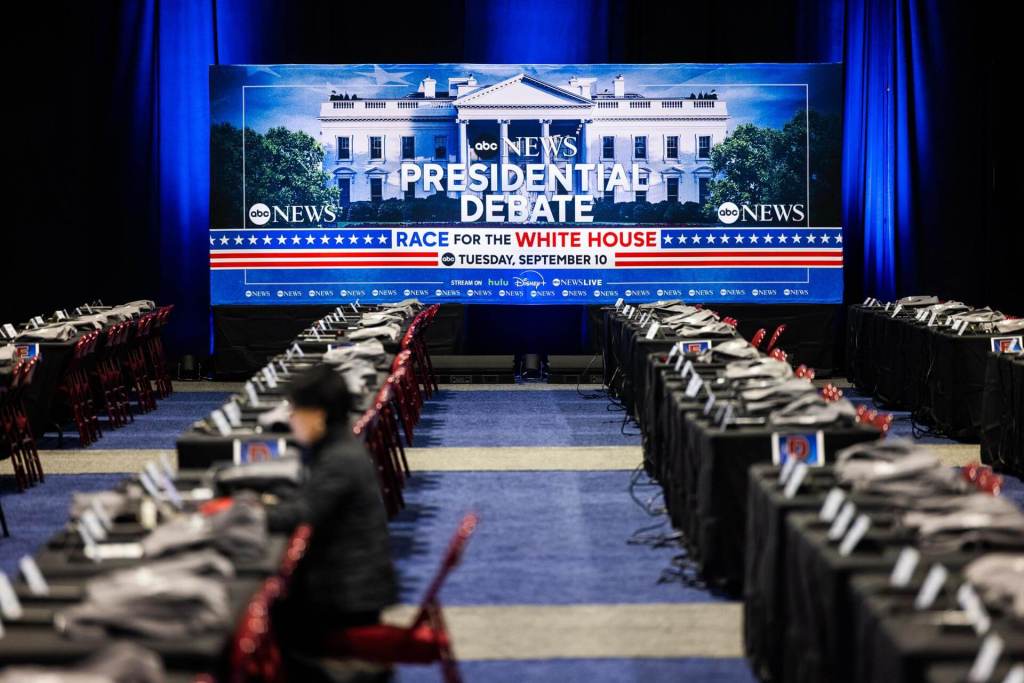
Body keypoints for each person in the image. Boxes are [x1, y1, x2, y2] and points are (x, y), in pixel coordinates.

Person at [267, 364, 397, 681]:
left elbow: (301, 513)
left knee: (264, 616)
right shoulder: (335, 447)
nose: (290, 418)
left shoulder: (340, 458)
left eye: (296, 410)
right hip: (350, 582)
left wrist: (247, 513)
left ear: (318, 414)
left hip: (348, 596)